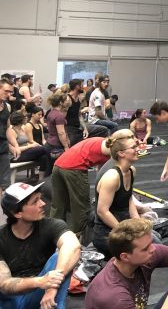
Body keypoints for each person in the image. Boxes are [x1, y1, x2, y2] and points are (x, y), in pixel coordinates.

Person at [0, 181, 81, 309]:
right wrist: (41, 281)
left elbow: (73, 246)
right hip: (10, 301)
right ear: (17, 213)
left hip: (41, 295)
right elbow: (4, 284)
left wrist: (51, 287)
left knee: (60, 257)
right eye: (35, 201)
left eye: (40, 198)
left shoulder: (51, 225)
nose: (43, 204)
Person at [49, 129, 134, 237]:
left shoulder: (103, 143)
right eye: (131, 138)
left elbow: (101, 170)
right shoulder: (113, 149)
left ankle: (52, 233)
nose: (134, 141)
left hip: (58, 165)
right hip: (74, 168)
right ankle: (79, 236)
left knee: (58, 204)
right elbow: (119, 171)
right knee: (80, 207)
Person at [92, 137, 141, 259]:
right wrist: (125, 233)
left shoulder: (131, 171)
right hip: (107, 234)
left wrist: (139, 224)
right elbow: (102, 211)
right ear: (121, 153)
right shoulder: (112, 177)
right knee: (140, 251)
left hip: (123, 227)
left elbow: (128, 199)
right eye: (133, 147)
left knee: (152, 240)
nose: (138, 149)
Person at [7, 111, 52, 177]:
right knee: (44, 148)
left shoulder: (22, 128)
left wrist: (32, 146)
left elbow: (27, 142)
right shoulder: (12, 131)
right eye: (25, 117)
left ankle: (42, 179)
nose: (26, 118)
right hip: (16, 156)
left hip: (26, 152)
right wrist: (31, 146)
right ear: (20, 119)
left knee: (44, 157)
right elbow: (15, 150)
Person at [65, 79, 107, 145]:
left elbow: (79, 115)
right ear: (77, 86)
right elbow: (62, 118)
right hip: (69, 129)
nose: (83, 87)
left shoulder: (78, 98)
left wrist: (85, 128)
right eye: (82, 85)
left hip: (78, 127)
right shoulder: (67, 99)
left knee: (103, 130)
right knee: (72, 141)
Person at [45, 93, 71, 161]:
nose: (67, 102)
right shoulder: (59, 115)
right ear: (60, 103)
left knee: (50, 168)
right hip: (56, 146)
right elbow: (61, 133)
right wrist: (66, 147)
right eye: (65, 101)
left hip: (50, 143)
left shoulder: (51, 113)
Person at [0, 81, 13, 197]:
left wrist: (15, 145)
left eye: (10, 92)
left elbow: (8, 127)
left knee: (3, 184)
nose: (9, 94)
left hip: (3, 148)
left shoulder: (7, 106)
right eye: (6, 91)